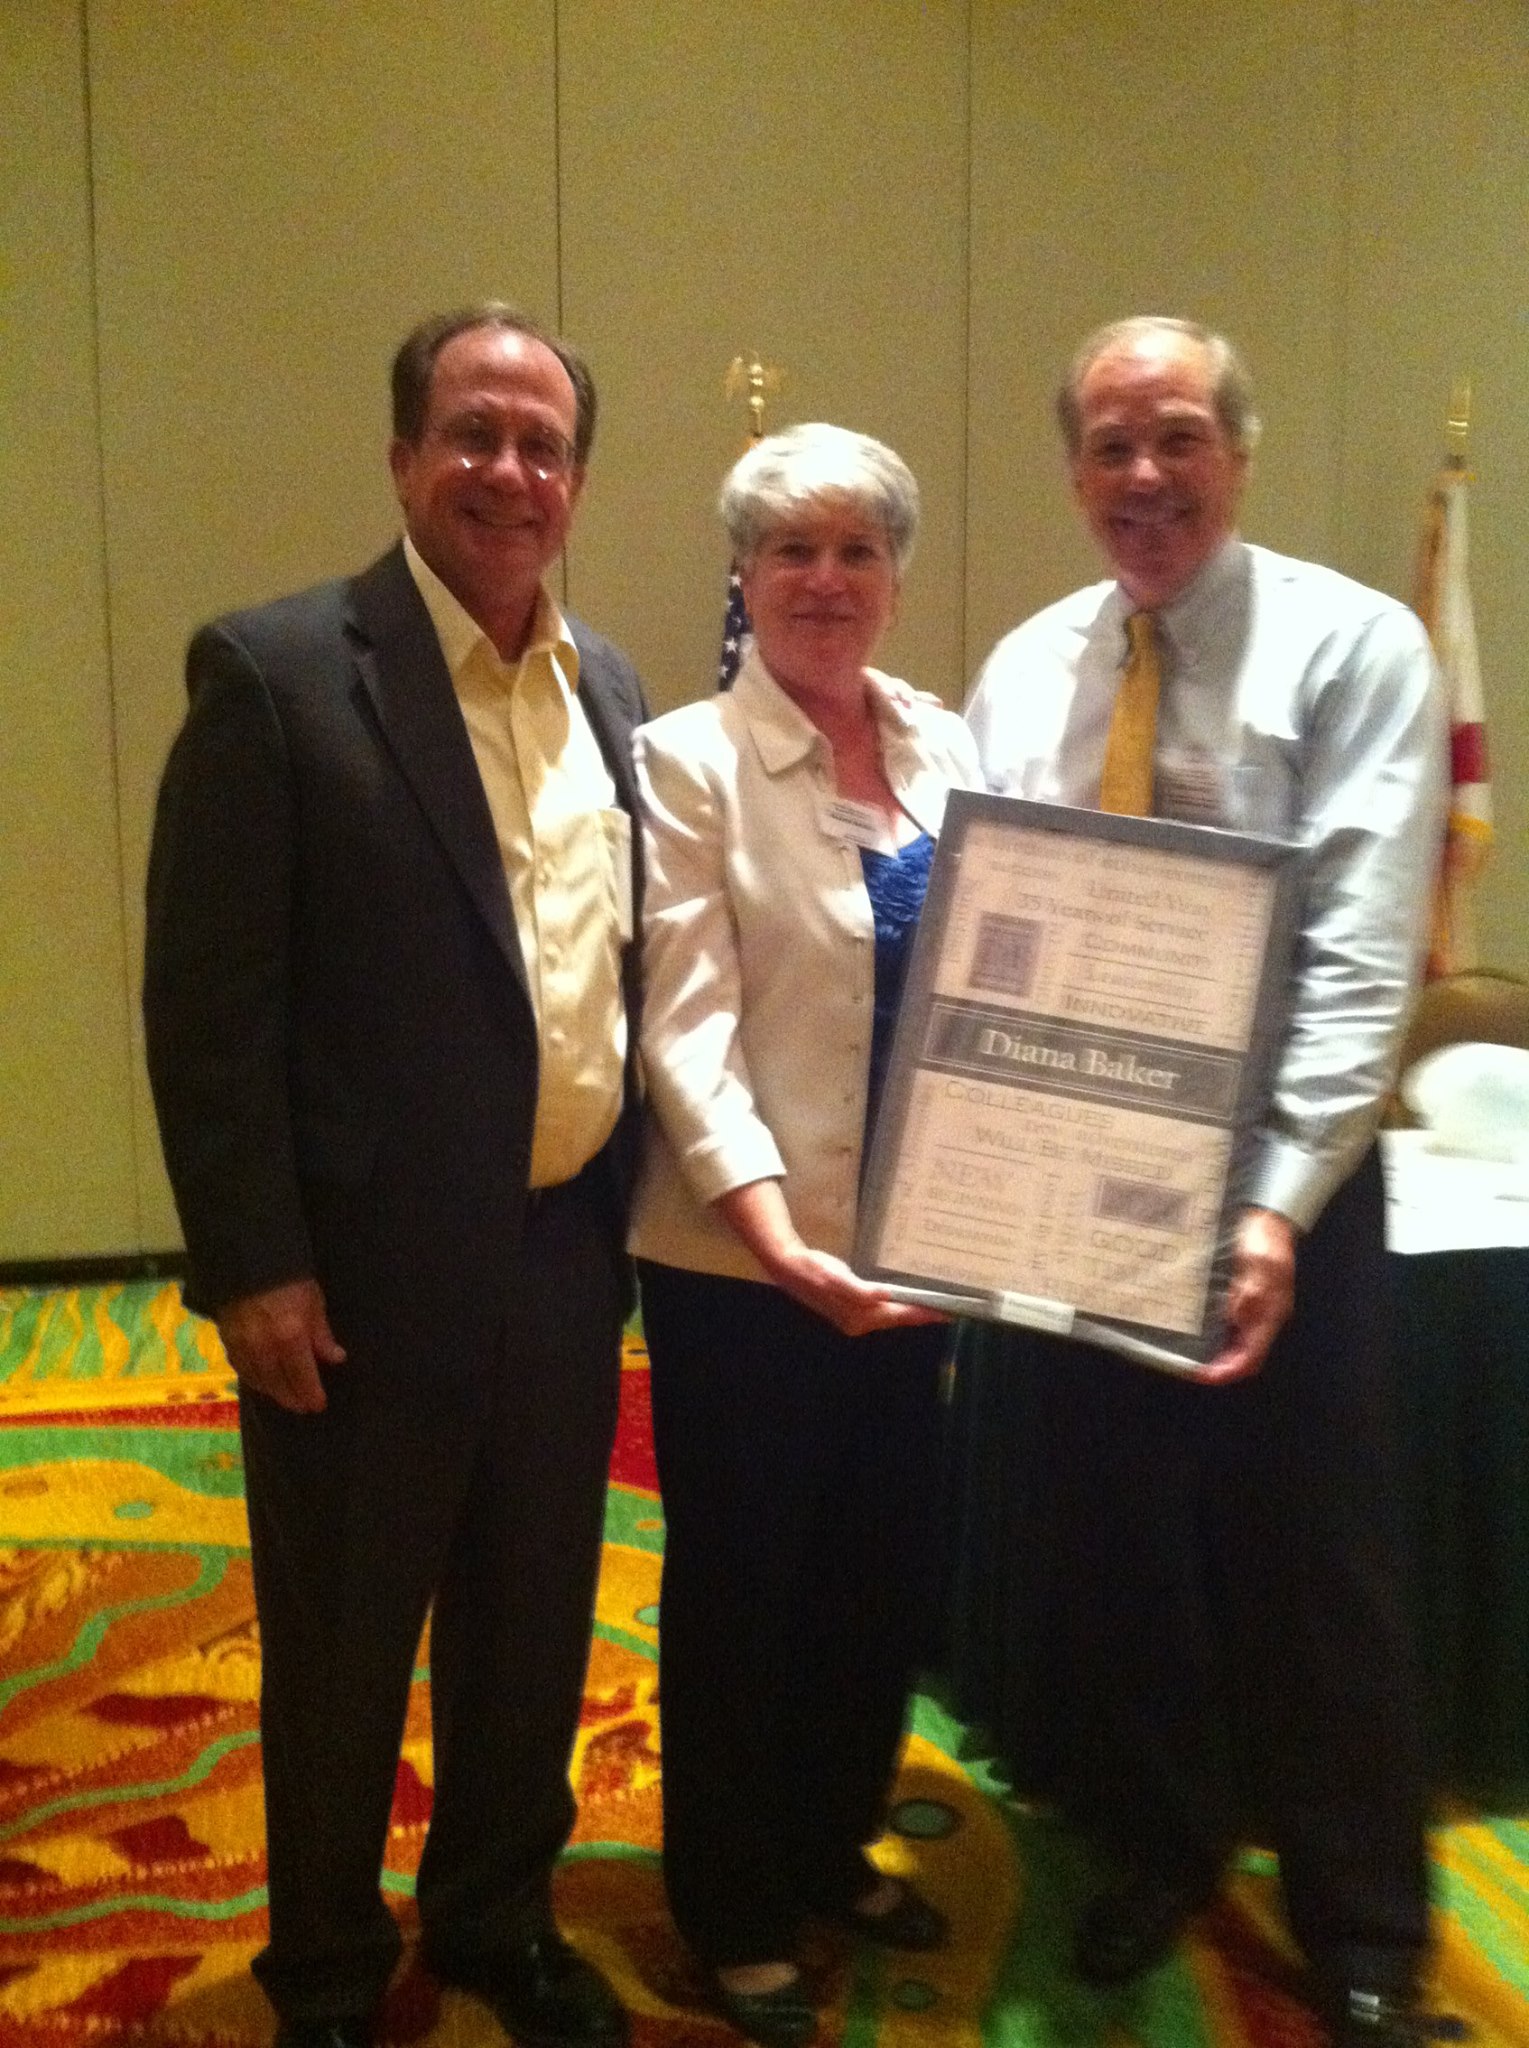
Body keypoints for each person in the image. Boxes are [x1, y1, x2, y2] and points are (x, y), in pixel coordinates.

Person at [143, 304, 648, 2048]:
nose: (510, 472)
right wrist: (252, 1262)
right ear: (402, 458)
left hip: (567, 1255)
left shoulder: (612, 690)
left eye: (543, 444)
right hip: (355, 1285)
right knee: (348, 1649)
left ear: (577, 478)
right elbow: (209, 1011)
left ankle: (498, 1919)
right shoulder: (279, 675)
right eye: (474, 434)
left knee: (531, 1619)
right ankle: (333, 1973)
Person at [962, 317, 1446, 2047]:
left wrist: (1272, 1205)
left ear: (1236, 453)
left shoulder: (1352, 646)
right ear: (1072, 471)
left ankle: (1364, 1922)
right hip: (1073, 1183)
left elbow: (1362, 946)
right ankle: (1156, 1846)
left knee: (1309, 1564)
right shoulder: (1025, 669)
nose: (1141, 477)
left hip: (1280, 1190)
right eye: (1107, 446)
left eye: (1174, 438)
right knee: (1118, 1546)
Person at [631, 424, 981, 2046]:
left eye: (856, 552)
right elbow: (682, 1032)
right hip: (740, 1274)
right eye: (791, 552)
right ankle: (727, 1900)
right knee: (745, 1587)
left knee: (875, 1577)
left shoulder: (949, 746)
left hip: (922, 1264)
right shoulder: (687, 761)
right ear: (745, 577)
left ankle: (826, 1842)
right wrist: (778, 1240)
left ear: (895, 576)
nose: (824, 582)